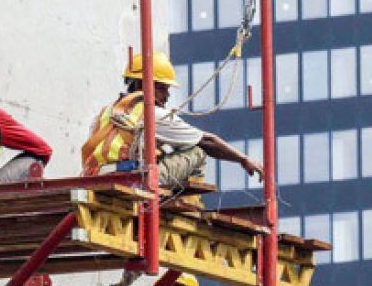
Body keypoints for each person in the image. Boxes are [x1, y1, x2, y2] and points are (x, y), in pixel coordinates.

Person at [80, 51, 264, 195]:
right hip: (132, 181)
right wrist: (243, 159)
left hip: (95, 179)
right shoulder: (153, 114)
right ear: (143, 85)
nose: (167, 96)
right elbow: (207, 141)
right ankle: (186, 205)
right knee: (197, 152)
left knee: (164, 150)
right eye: (162, 88)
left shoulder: (105, 113)